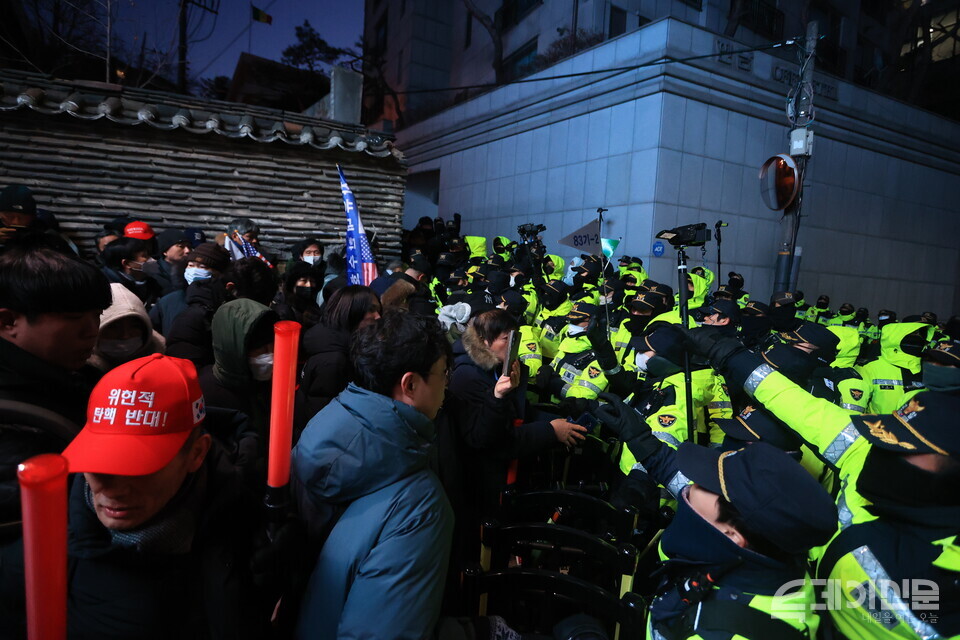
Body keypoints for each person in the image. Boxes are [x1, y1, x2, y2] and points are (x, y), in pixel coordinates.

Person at [687, 330, 960, 640]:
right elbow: (801, 407)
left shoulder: (947, 580)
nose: (886, 448)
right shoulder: (870, 451)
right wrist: (731, 356)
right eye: (891, 433)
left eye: (907, 445)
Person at [0, 354, 274, 638]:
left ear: (196, 454)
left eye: (139, 468)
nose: (113, 489)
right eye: (97, 464)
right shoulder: (39, 556)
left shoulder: (248, 523)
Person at [595, 386, 838, 640]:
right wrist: (638, 435)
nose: (691, 483)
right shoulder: (767, 546)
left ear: (732, 534)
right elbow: (675, 475)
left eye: (707, 484)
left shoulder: (727, 631)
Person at [292, 310, 454, 639]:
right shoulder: (420, 505)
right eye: (442, 374)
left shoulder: (322, 431)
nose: (447, 384)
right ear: (410, 383)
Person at [0, 243, 111, 539]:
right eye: (74, 317)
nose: (92, 330)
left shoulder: (80, 376)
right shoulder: (11, 418)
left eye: (97, 314)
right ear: (9, 321)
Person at [294, 285, 382, 435]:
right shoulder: (334, 360)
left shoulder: (337, 344)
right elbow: (320, 417)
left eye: (379, 310)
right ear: (351, 311)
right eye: (371, 310)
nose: (378, 317)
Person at [199, 298, 278, 437]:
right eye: (261, 348)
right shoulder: (206, 396)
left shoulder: (269, 384)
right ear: (235, 349)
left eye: (273, 345)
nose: (271, 355)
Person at [150, 242, 231, 337]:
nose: (194, 271)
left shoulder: (227, 304)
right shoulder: (169, 301)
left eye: (202, 267)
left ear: (219, 273)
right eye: (191, 265)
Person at [855, 321, 934, 413]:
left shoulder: (931, 367)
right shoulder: (869, 367)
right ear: (896, 337)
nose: (918, 338)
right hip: (880, 426)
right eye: (913, 333)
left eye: (921, 334)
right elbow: (856, 409)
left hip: (921, 426)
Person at [88, 283, 165, 372]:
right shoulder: (78, 372)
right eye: (114, 327)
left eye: (134, 327)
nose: (125, 335)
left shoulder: (161, 368)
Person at [100, 237, 163, 308]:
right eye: (144, 256)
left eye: (149, 255)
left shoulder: (155, 282)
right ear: (127, 263)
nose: (152, 260)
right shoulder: (107, 290)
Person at [144, 228, 191, 296]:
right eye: (181, 246)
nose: (187, 251)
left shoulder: (191, 270)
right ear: (165, 251)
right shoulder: (153, 273)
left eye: (189, 246)